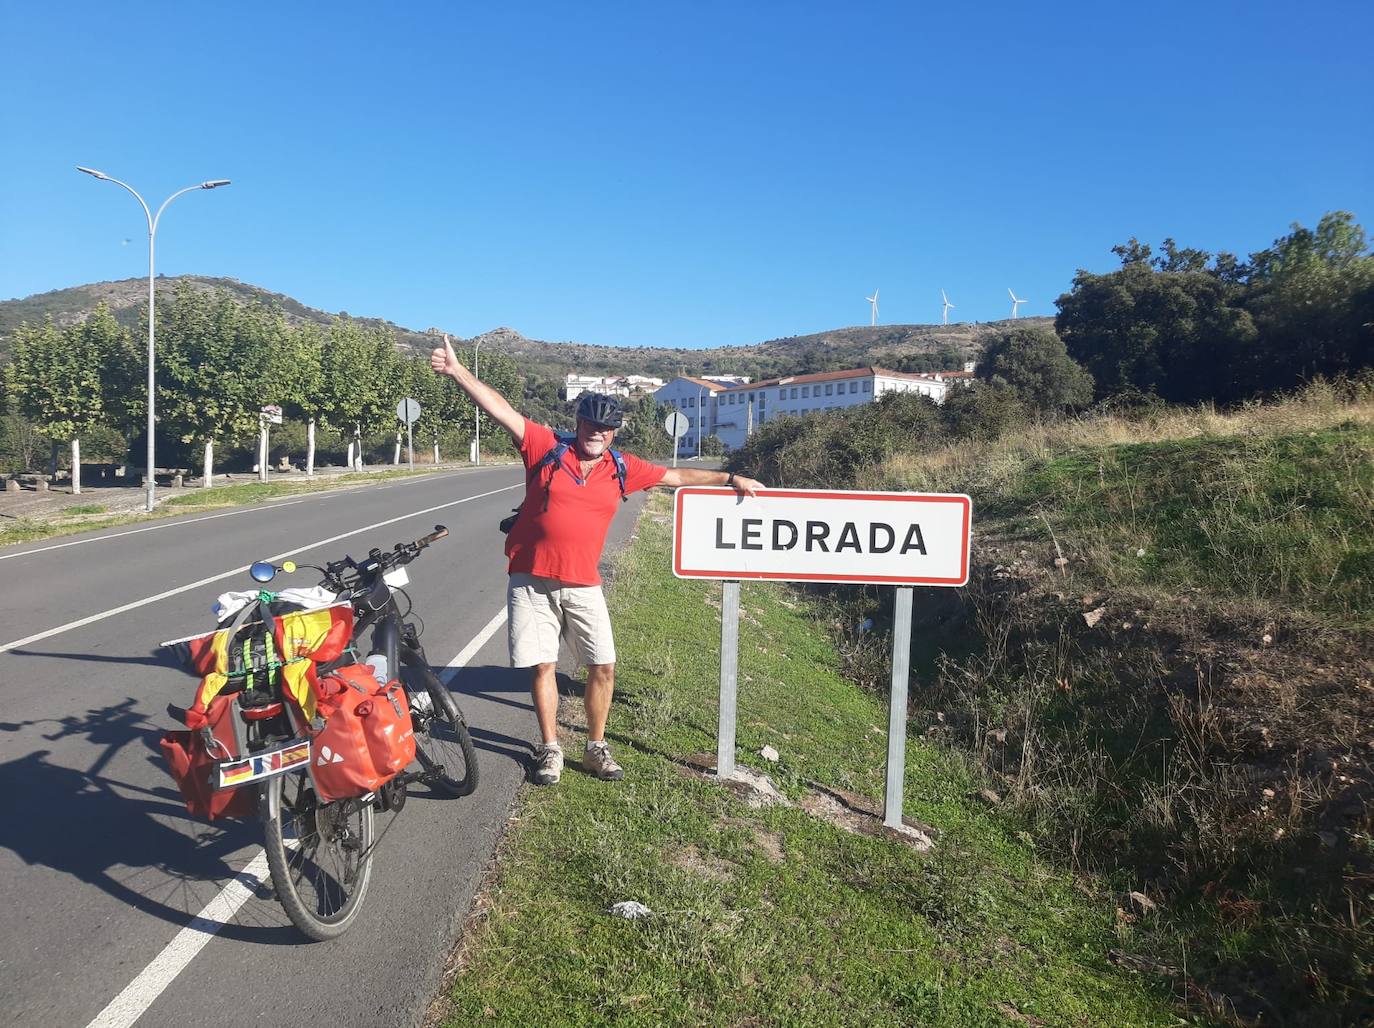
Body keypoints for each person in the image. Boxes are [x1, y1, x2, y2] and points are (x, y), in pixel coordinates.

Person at [430, 336, 763, 785]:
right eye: (590, 425)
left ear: (615, 432)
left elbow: (678, 475)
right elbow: (501, 408)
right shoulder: (547, 448)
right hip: (531, 580)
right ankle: (550, 748)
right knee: (542, 665)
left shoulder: (623, 468)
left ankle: (594, 747)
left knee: (603, 665)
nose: (596, 434)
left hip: (583, 583)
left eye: (605, 429)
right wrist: (457, 372)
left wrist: (730, 478)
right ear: (579, 423)